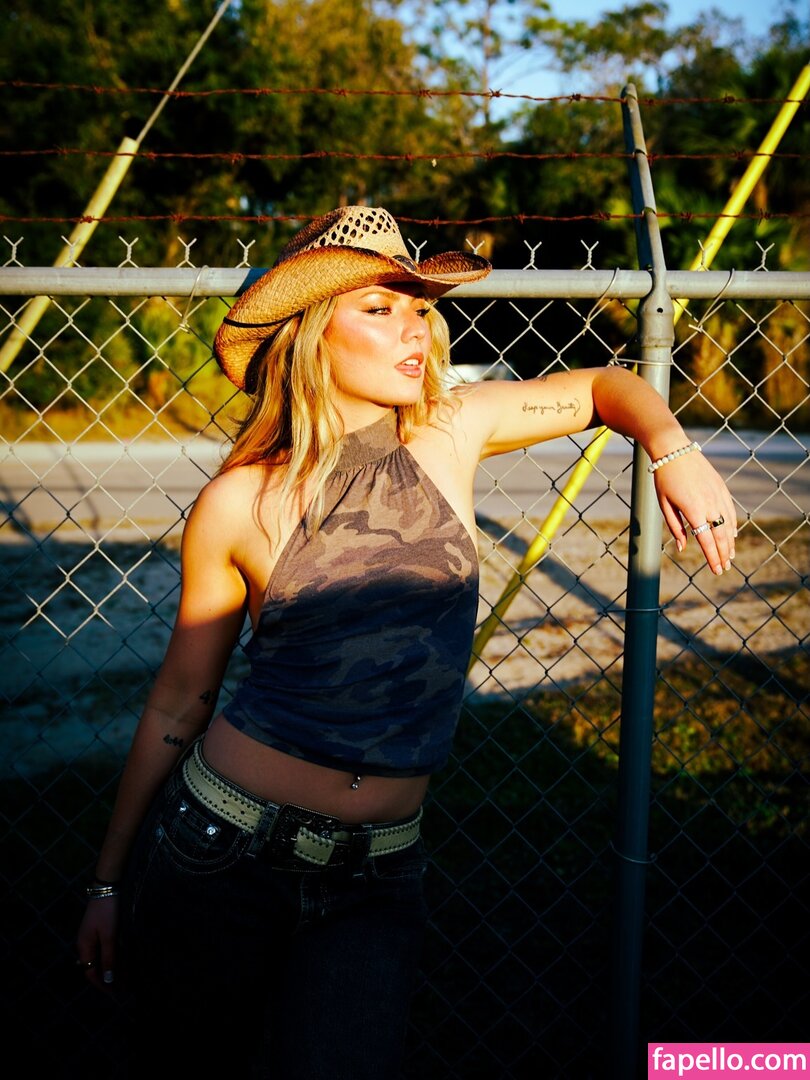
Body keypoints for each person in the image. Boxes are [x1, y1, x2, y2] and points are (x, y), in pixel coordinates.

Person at [76, 205, 736, 1079]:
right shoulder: (239, 501)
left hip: (380, 875)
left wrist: (671, 448)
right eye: (379, 308)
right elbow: (178, 701)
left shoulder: (450, 431)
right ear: (310, 332)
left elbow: (606, 387)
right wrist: (109, 880)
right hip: (223, 851)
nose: (414, 327)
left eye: (418, 307)